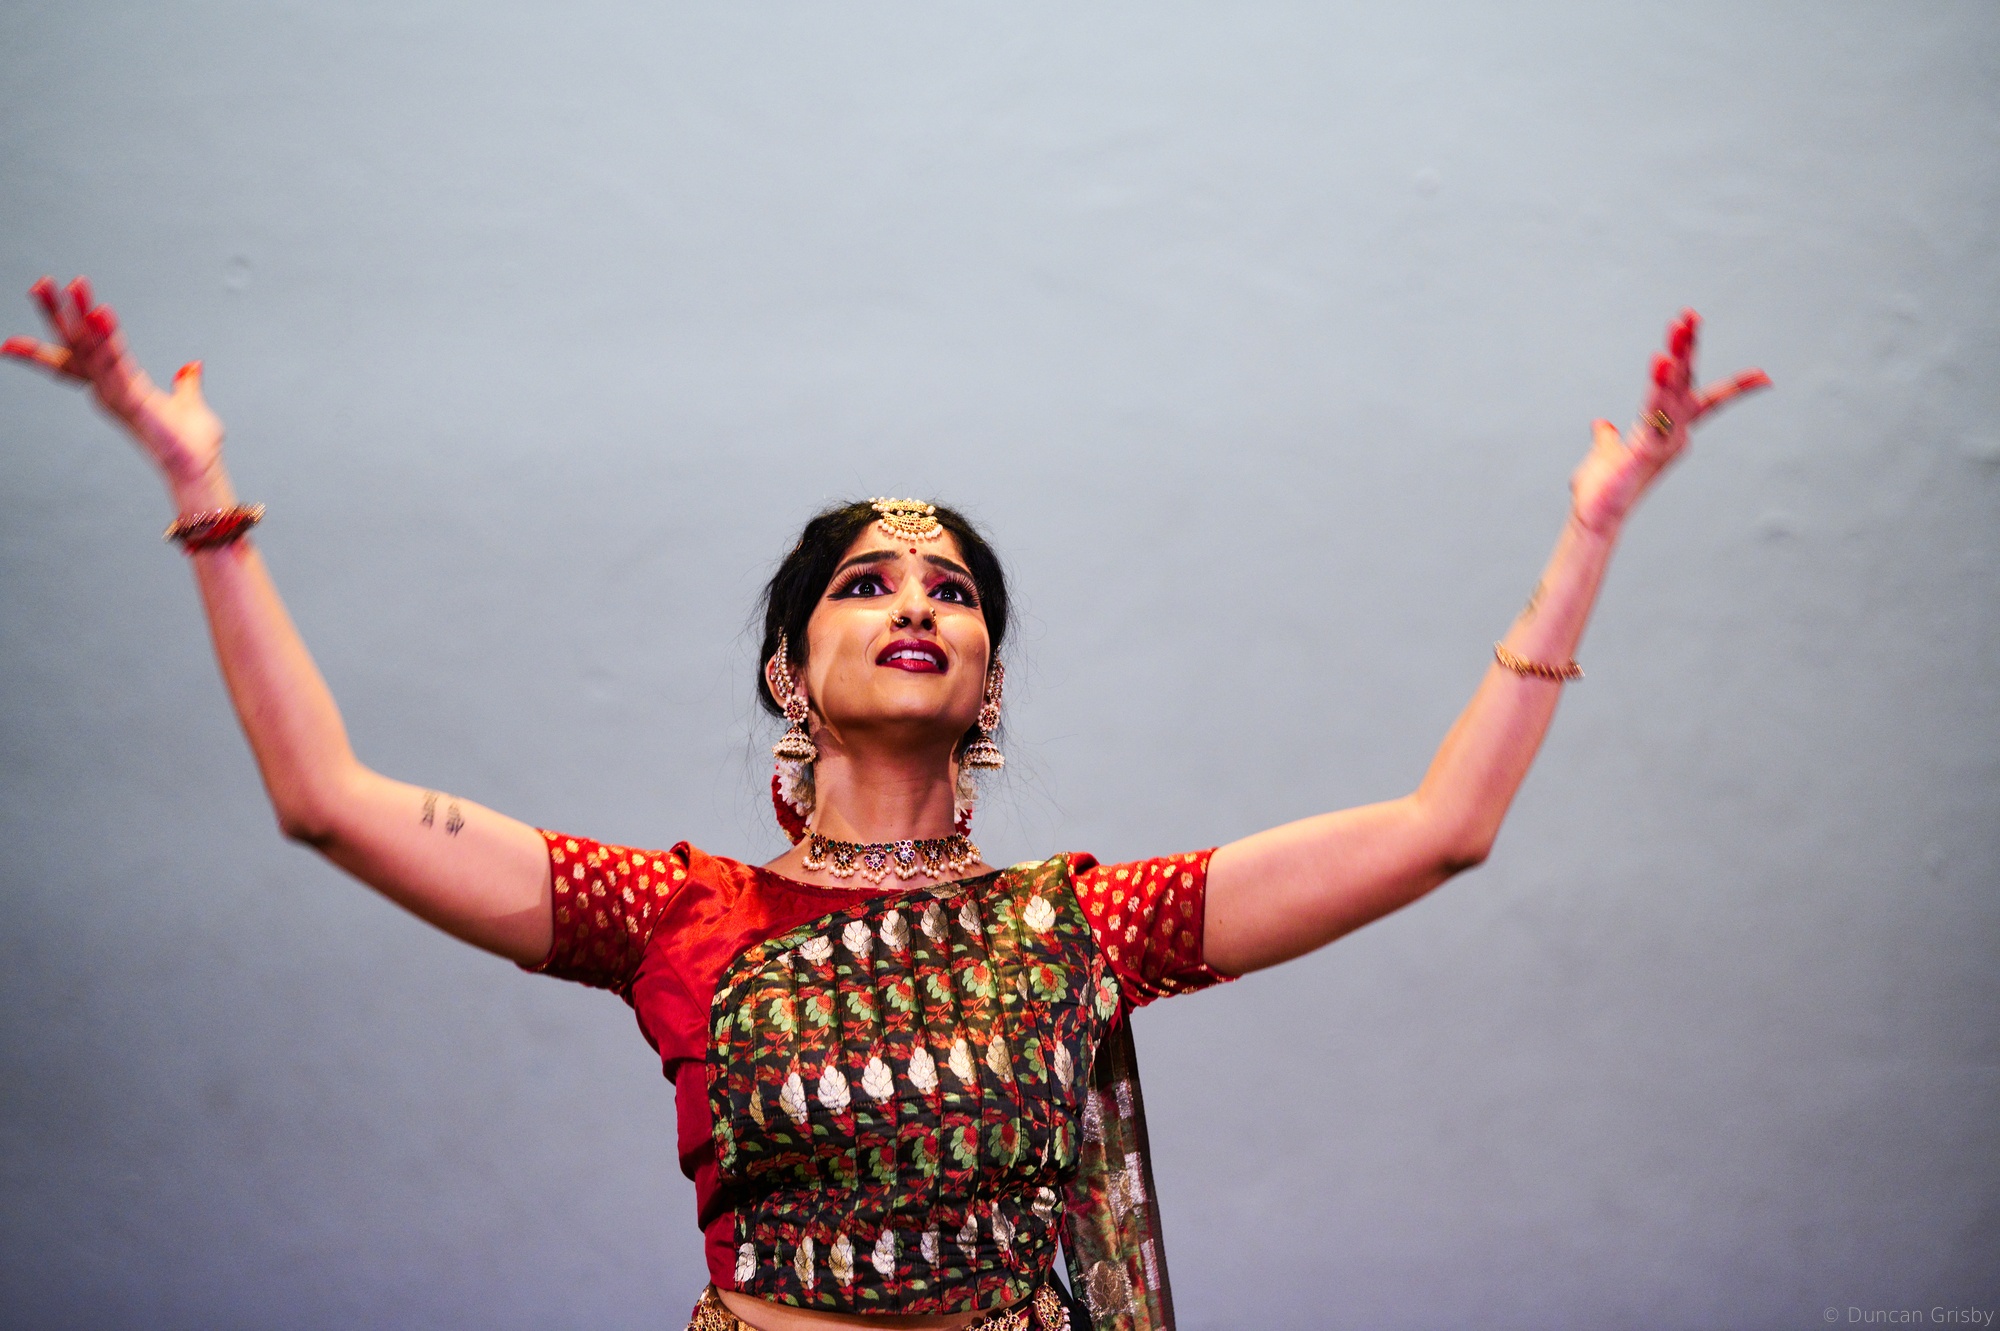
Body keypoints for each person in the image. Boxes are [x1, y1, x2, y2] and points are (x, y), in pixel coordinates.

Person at [3, 277, 1768, 1331]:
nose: (915, 601)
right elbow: (324, 801)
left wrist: (1592, 528)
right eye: (864, 584)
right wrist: (202, 490)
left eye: (952, 590)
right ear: (791, 673)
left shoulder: (1079, 927)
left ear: (986, 683)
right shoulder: (676, 917)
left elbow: (1444, 827)